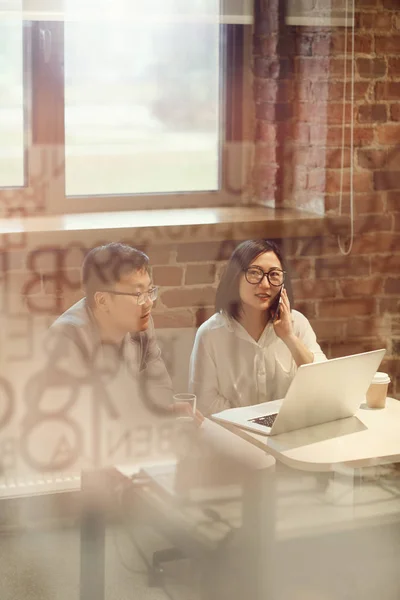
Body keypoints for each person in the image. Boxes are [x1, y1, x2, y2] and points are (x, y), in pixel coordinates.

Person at [189, 239, 326, 416]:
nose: (265, 284)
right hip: (233, 436)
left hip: (290, 431)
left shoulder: (297, 323)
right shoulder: (210, 334)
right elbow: (205, 402)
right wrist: (254, 424)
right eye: (254, 273)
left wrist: (289, 337)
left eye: (274, 275)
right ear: (235, 276)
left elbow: (323, 383)